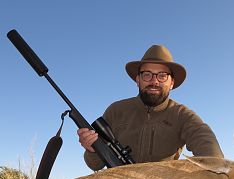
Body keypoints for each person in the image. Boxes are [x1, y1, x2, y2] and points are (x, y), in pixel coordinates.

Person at [78, 45, 223, 171]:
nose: (154, 81)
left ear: (171, 82)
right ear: (138, 80)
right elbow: (94, 165)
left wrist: (213, 169)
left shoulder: (182, 115)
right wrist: (91, 149)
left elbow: (208, 146)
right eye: (147, 75)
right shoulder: (116, 110)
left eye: (162, 76)